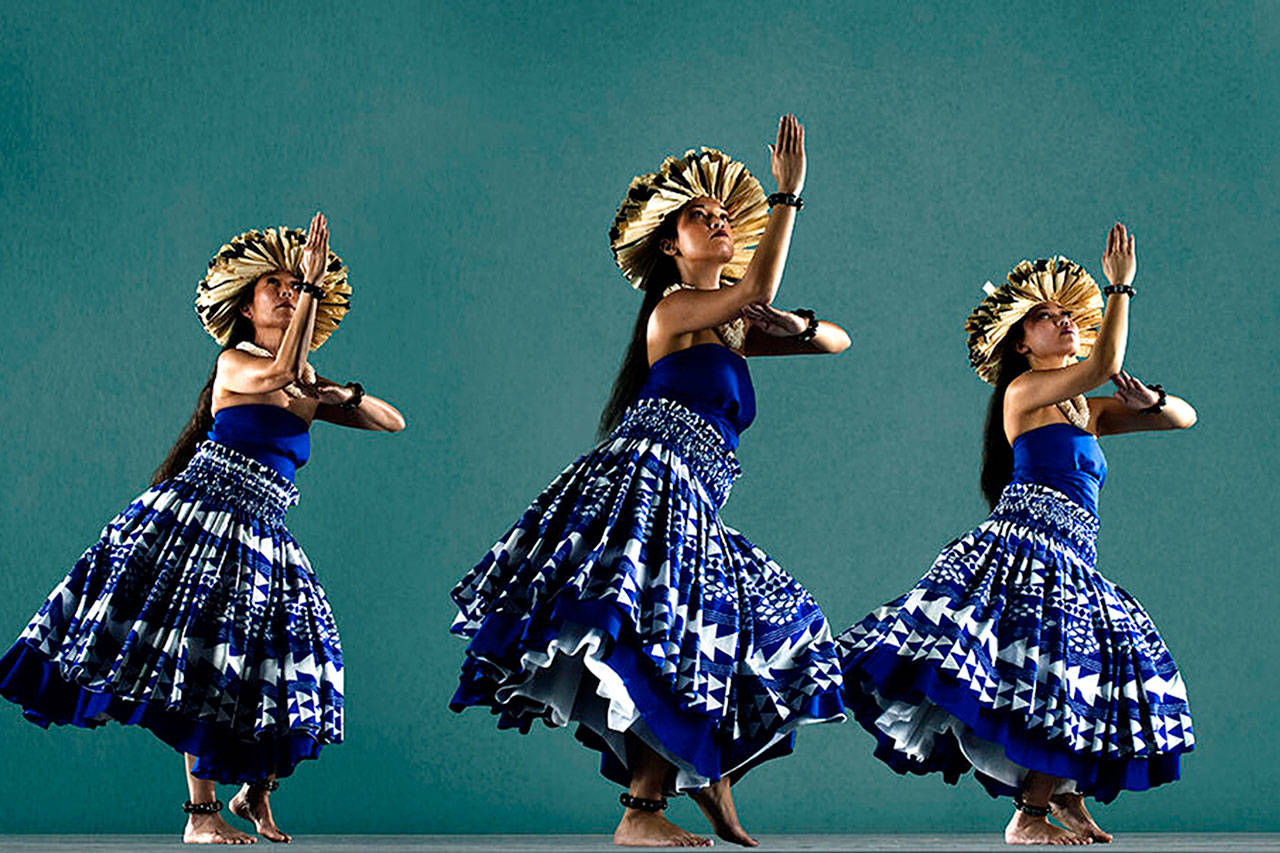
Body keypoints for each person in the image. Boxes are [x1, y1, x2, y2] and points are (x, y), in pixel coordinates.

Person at [450, 116, 849, 848]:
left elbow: (833, 339)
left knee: (737, 629)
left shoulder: (731, 324)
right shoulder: (673, 309)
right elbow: (757, 280)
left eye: (728, 214)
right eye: (703, 215)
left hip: (695, 495)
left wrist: (788, 321)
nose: (721, 221)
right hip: (651, 482)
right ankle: (644, 806)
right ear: (672, 244)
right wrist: (786, 196)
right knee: (664, 631)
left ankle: (701, 777)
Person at [0, 213, 406, 845]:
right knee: (203, 656)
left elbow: (391, 421)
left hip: (262, 532)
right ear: (245, 308)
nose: (292, 294)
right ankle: (201, 815)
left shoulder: (300, 383)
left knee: (274, 661)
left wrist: (337, 394)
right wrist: (315, 295)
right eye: (279, 287)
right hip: (203, 523)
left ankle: (254, 794)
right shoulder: (237, 363)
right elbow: (275, 375)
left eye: (297, 288)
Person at [836, 224, 1196, 845]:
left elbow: (1182, 419)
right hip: (1027, 549)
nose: (1063, 322)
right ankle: (1028, 815)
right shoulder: (1024, 391)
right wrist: (1120, 287)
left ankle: (1068, 797)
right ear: (1021, 343)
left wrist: (1150, 396)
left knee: (1086, 670)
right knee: (1052, 670)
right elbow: (1104, 361)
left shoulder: (1086, 410)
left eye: (1067, 315)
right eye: (1046, 317)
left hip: (1073, 553)